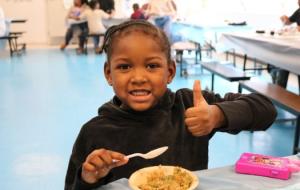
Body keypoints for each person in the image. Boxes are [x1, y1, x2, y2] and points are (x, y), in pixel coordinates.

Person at [64, 20, 277, 190]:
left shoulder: (189, 107)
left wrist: (216, 115)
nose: (138, 77)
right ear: (109, 74)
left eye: (152, 65)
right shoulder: (94, 132)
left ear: (170, 72)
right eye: (125, 66)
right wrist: (88, 178)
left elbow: (266, 110)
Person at [269, 0, 300, 88]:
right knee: (283, 61)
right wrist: (285, 19)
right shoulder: (298, 11)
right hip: (295, 46)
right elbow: (288, 22)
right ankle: (279, 90)